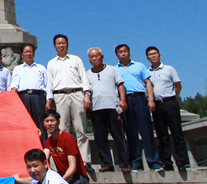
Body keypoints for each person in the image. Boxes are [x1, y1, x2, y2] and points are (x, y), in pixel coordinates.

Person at [114, 44, 161, 171]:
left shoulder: (139, 66)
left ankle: (153, 161)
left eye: (125, 51)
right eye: (120, 52)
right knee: (130, 133)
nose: (123, 54)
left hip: (140, 98)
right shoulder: (114, 69)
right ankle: (136, 162)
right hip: (125, 100)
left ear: (129, 52)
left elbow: (148, 83)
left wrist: (151, 99)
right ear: (117, 55)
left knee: (147, 131)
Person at [47, 34, 91, 163]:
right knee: (62, 129)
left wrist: (87, 94)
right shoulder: (51, 63)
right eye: (58, 43)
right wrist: (50, 100)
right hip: (59, 96)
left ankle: (84, 161)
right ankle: (65, 161)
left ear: (67, 44)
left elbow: (84, 77)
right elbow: (49, 83)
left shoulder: (76, 59)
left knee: (80, 129)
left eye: (63, 43)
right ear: (55, 46)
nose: (61, 45)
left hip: (76, 94)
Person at [85, 48, 129, 172]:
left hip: (113, 107)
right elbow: (87, 92)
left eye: (96, 56)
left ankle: (124, 163)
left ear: (102, 57)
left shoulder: (112, 70)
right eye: (91, 57)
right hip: (96, 109)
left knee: (118, 136)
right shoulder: (87, 74)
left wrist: (123, 100)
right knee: (100, 138)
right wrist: (88, 110)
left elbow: (120, 85)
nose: (94, 59)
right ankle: (106, 163)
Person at [146, 46, 189, 172]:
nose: (153, 56)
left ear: (159, 55)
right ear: (147, 58)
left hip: (170, 102)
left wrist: (174, 98)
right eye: (150, 54)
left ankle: (181, 162)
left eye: (155, 53)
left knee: (177, 133)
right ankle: (166, 162)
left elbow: (178, 85)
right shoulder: (147, 73)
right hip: (157, 105)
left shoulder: (169, 69)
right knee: (162, 135)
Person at [10, 43, 54, 143]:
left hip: (38, 97)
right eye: (26, 52)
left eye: (30, 52)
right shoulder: (18, 69)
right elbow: (14, 84)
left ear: (34, 54)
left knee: (41, 124)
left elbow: (48, 85)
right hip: (24, 97)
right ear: (22, 55)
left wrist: (49, 100)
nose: (28, 54)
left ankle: (44, 149)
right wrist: (13, 90)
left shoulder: (41, 68)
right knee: (26, 124)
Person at [43, 110, 89, 184]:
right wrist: (38, 137)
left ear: (58, 122)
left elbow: (73, 167)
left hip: (79, 179)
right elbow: (43, 159)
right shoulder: (49, 141)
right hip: (63, 178)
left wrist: (60, 181)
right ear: (43, 124)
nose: (49, 124)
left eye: (52, 121)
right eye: (47, 121)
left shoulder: (68, 138)